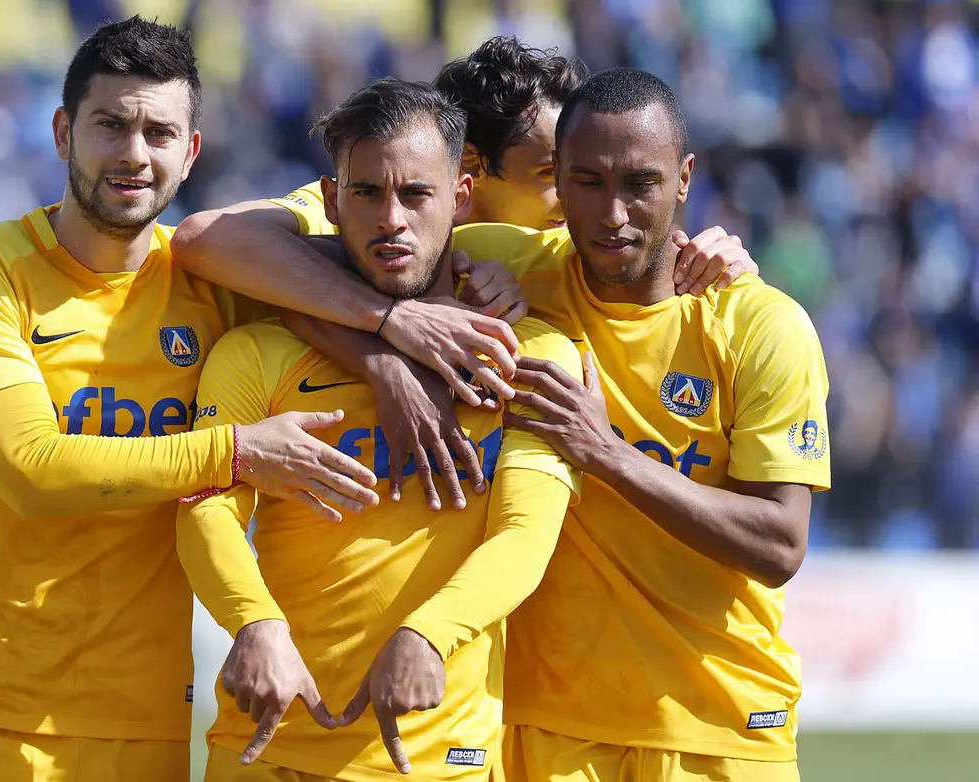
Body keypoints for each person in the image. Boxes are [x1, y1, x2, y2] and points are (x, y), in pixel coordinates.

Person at [0, 17, 390, 782]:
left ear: (191, 152)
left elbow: (372, 218)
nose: (134, 153)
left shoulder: (213, 284)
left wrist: (476, 280)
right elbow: (28, 468)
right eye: (110, 125)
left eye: (159, 133)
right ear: (63, 132)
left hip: (144, 730)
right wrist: (237, 452)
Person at [175, 78, 581, 782]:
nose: (391, 219)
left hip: (443, 759)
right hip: (268, 748)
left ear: (460, 196)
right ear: (331, 201)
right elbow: (206, 506)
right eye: (366, 193)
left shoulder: (530, 353)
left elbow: (525, 534)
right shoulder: (255, 352)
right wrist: (253, 622)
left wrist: (430, 634)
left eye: (416, 194)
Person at [170, 36, 758, 513]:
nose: (581, 197)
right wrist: (389, 338)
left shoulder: (572, 251)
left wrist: (722, 262)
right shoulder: (376, 199)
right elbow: (213, 242)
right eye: (556, 173)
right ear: (469, 173)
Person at [449, 67, 831, 782]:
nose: (613, 212)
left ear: (684, 179)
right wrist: (409, 317)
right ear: (557, 182)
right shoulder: (507, 268)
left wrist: (606, 453)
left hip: (723, 725)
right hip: (550, 730)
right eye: (587, 181)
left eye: (640, 183)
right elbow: (337, 240)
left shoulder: (759, 324)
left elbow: (780, 543)